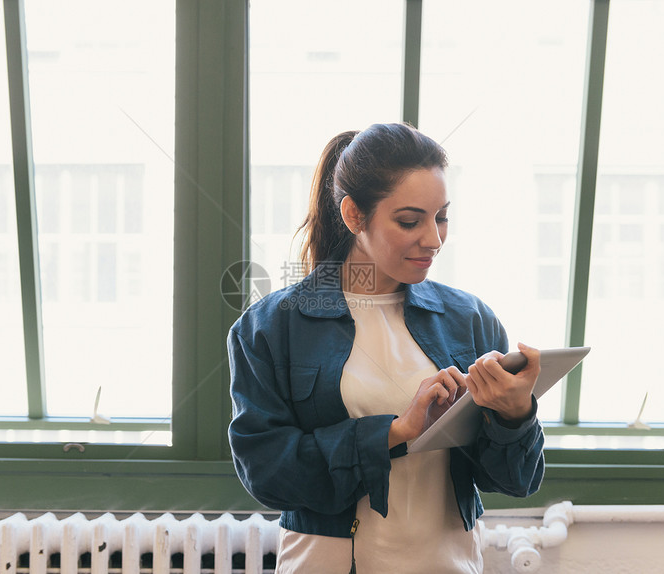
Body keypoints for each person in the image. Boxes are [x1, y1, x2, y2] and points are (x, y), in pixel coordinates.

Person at [227, 123, 544, 573]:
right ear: (354, 215)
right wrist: (396, 431)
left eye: (442, 217)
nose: (433, 239)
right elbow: (269, 474)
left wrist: (514, 416)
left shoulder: (470, 320)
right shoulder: (271, 327)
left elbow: (516, 481)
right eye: (410, 221)